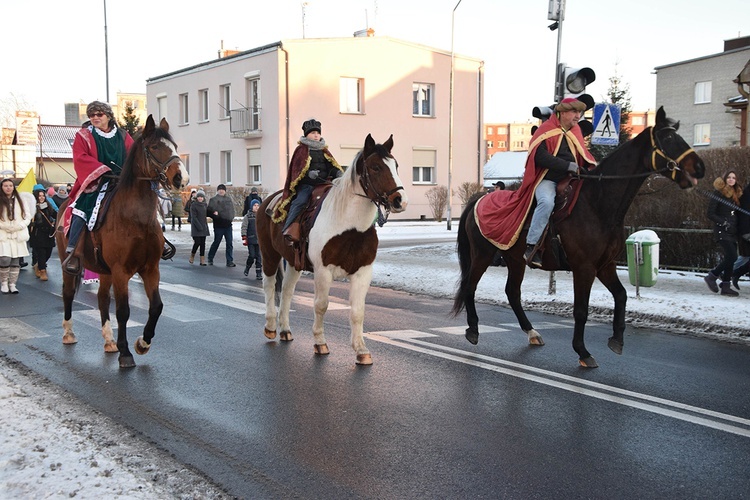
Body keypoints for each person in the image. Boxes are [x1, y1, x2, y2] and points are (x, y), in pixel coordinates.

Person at [62, 101, 134, 275]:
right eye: (92, 115)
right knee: (82, 208)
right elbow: (80, 157)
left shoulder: (123, 136)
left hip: (120, 182)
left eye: (99, 114)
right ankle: (74, 251)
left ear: (108, 116)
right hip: (95, 182)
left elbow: (133, 156)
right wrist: (101, 170)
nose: (95, 118)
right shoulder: (84, 135)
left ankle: (158, 242)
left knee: (142, 202)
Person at [523, 97, 596, 267]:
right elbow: (539, 157)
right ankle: (531, 246)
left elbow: (583, 156)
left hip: (571, 180)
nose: (578, 116)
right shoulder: (545, 130)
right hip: (547, 180)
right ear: (562, 113)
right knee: (546, 202)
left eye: (580, 112)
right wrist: (567, 165)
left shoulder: (575, 131)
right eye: (574, 112)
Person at [273, 118, 343, 243]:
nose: (316, 135)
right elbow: (296, 171)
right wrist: (308, 175)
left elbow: (331, 167)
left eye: (318, 133)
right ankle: (288, 228)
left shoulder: (324, 150)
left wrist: (337, 172)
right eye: (313, 133)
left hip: (324, 184)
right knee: (300, 201)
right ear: (307, 135)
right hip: (307, 185)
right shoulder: (301, 150)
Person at [704, 171, 743, 296]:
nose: (731, 180)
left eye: (734, 178)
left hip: (732, 231)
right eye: (729, 177)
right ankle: (713, 275)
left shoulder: (736, 195)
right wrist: (723, 222)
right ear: (725, 179)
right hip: (722, 230)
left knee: (730, 258)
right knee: (732, 257)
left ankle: (726, 286)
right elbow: (710, 213)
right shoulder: (718, 193)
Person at [1, 177, 35, 294]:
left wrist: (19, 226)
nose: (8, 188)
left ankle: (12, 284)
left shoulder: (21, 200)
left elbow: (27, 216)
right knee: (5, 259)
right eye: (5, 186)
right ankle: (4, 282)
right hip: (3, 234)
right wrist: (5, 226)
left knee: (16, 261)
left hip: (17, 234)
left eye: (10, 185)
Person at [29, 186, 57, 282]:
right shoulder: (32, 208)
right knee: (41, 252)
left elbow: (55, 215)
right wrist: (32, 223)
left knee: (48, 252)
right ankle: (42, 270)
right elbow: (28, 219)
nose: (42, 198)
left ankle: (39, 265)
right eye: (39, 196)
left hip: (48, 233)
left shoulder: (48, 206)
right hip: (38, 233)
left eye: (43, 196)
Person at [206, 184, 236, 266]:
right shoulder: (213, 200)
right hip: (218, 225)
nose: (221, 191)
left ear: (225, 191)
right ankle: (210, 258)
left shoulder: (228, 199)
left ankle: (229, 261)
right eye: (220, 189)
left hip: (228, 225)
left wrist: (231, 218)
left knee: (229, 243)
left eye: (223, 189)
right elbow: (208, 212)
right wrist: (214, 214)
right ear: (217, 190)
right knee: (217, 242)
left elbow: (232, 210)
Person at [731, 181, 750, 289]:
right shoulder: (746, 194)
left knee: (745, 257)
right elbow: (743, 215)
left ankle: (730, 273)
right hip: (746, 230)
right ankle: (728, 273)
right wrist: (746, 232)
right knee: (745, 257)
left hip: (745, 230)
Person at [241, 198, 263, 280]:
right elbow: (244, 227)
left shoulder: (261, 216)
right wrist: (244, 237)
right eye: (254, 205)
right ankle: (247, 267)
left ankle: (259, 273)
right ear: (251, 206)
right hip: (251, 239)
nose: (256, 207)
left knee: (259, 256)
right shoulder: (248, 216)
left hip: (259, 240)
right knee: (252, 255)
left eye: (258, 205)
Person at [189, 190, 210, 266]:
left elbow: (207, 213)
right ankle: (192, 255)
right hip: (196, 227)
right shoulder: (193, 205)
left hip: (203, 226)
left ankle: (202, 260)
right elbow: (194, 217)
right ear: (196, 197)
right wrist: (199, 226)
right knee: (197, 242)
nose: (200, 198)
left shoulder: (205, 205)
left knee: (203, 243)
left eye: (201, 197)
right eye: (199, 197)